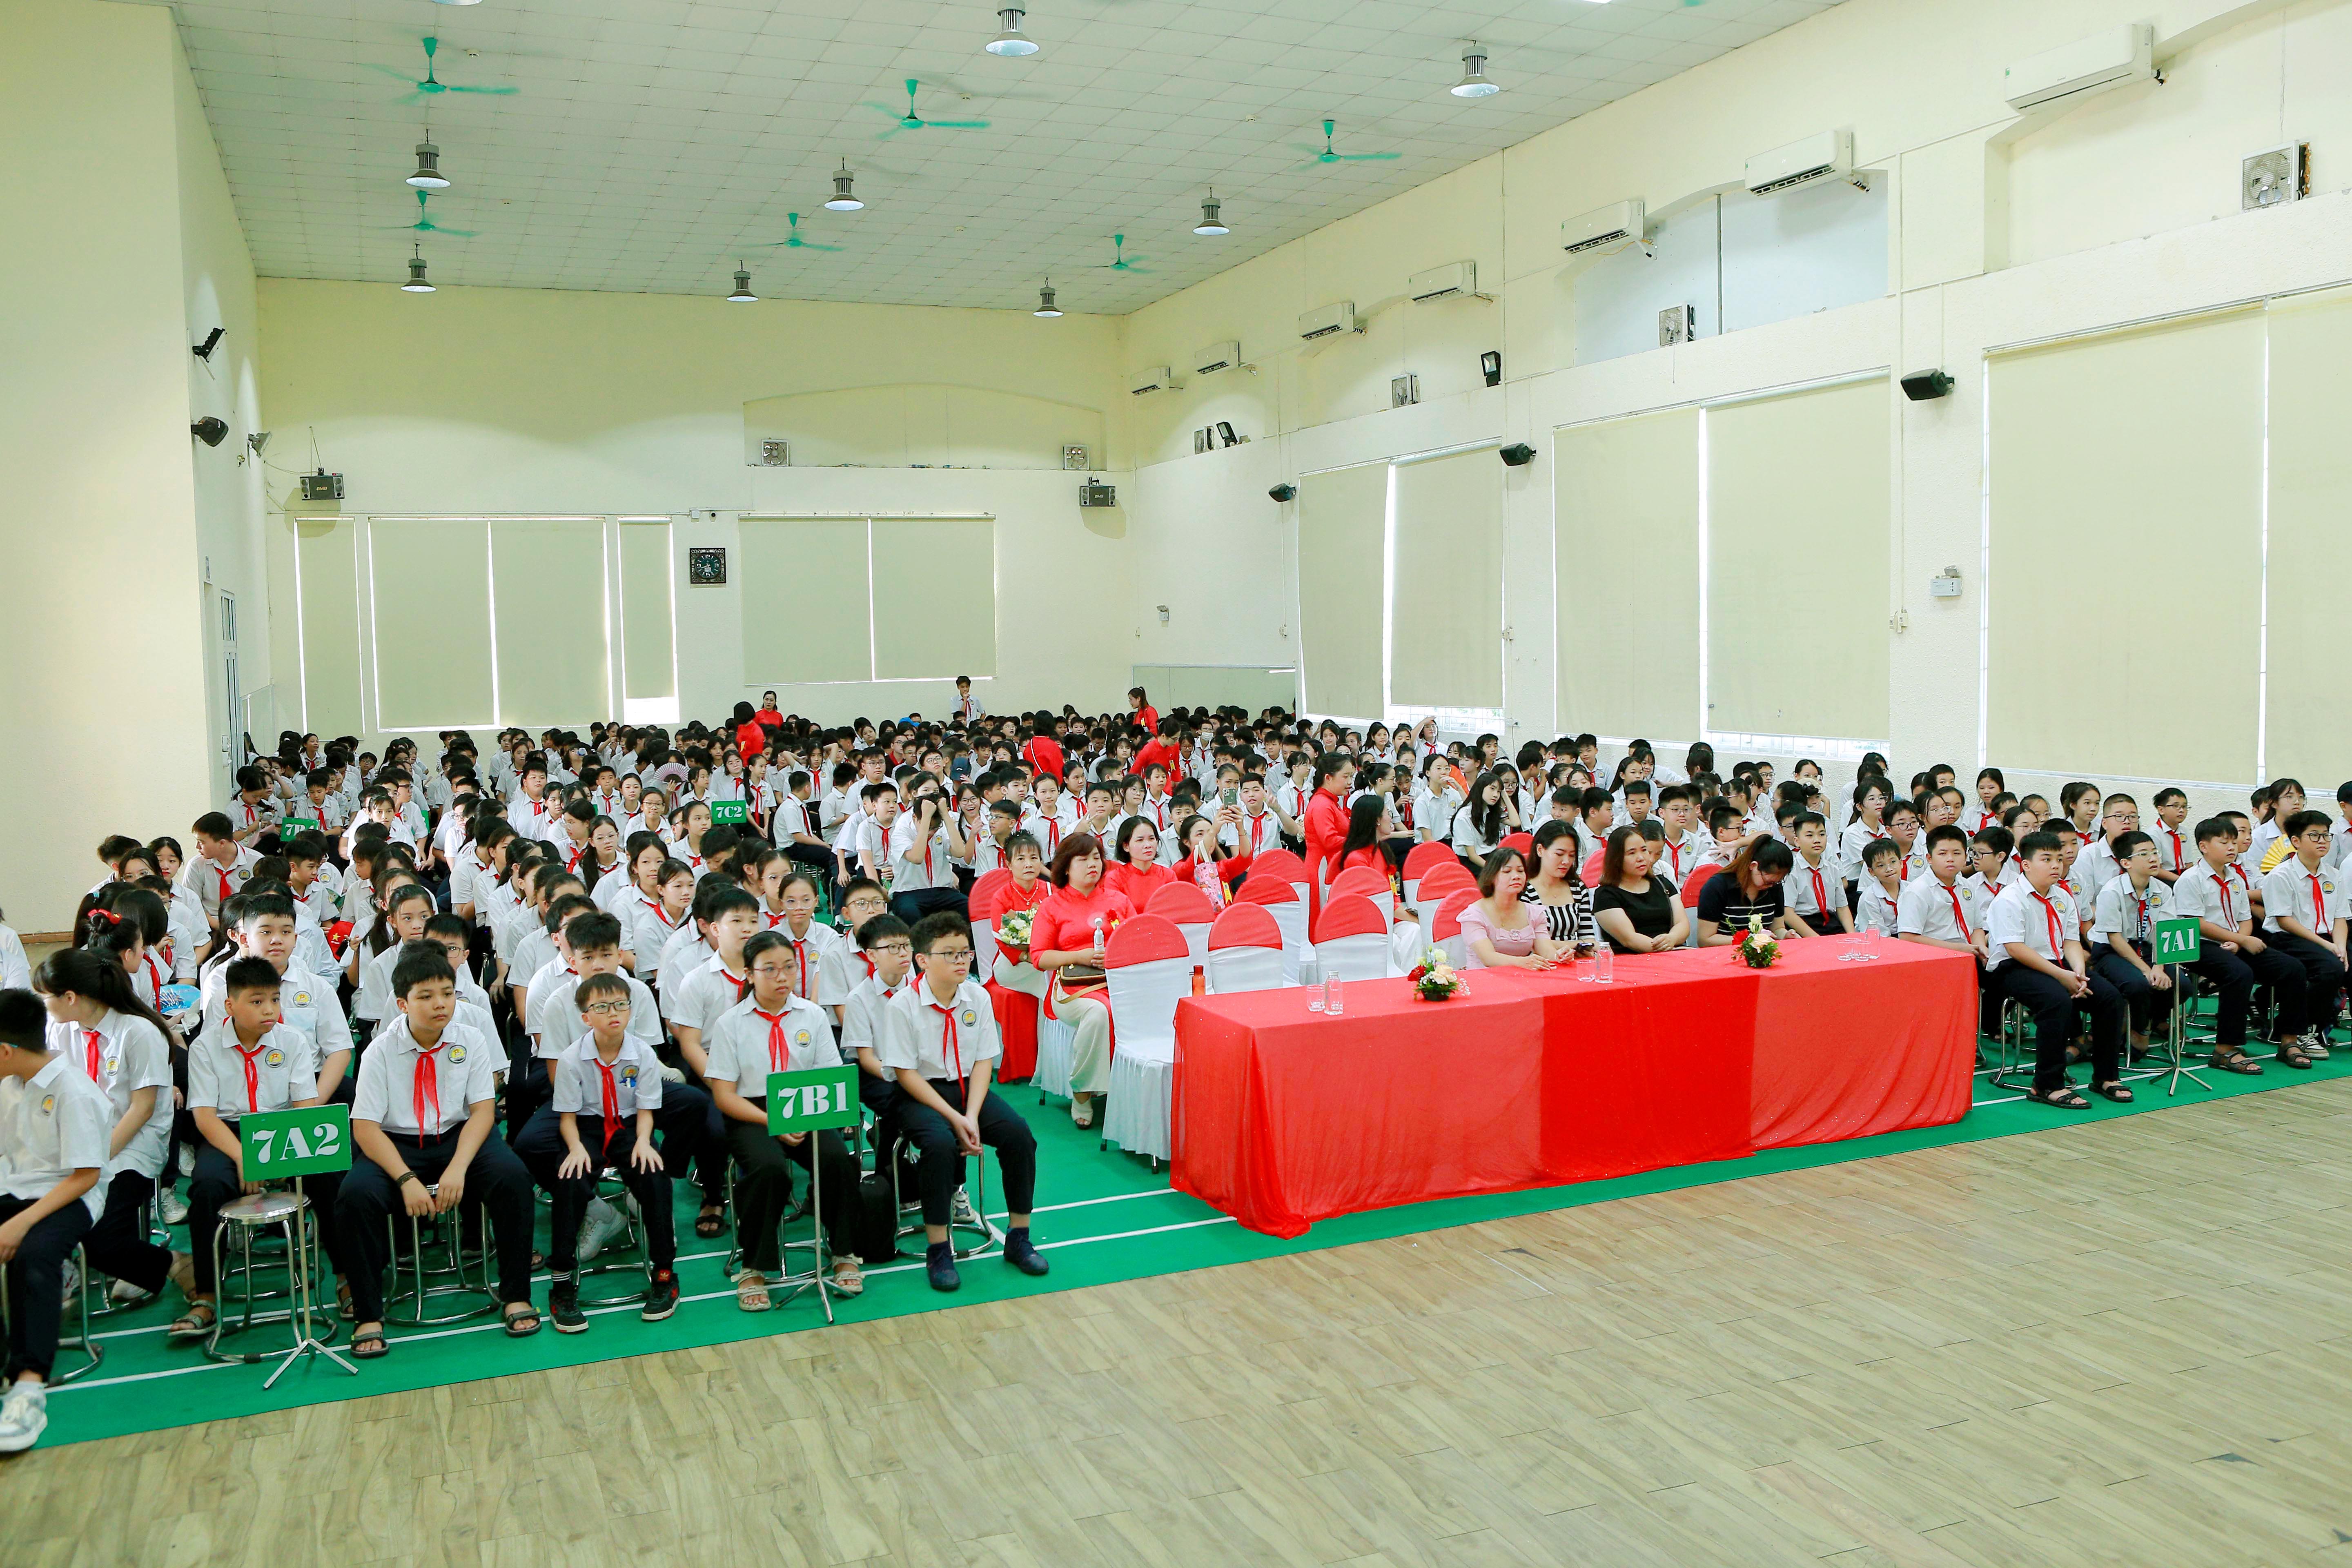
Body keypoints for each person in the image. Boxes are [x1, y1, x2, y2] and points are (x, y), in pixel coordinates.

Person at [337, 944, 543, 1356]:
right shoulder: (380, 1050)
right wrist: (406, 1179)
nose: (440, 1004)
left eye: (447, 994)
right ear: (402, 1004)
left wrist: (458, 1169)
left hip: (459, 1137)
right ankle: (368, 1314)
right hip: (397, 1145)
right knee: (354, 1196)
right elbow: (365, 1128)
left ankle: (516, 1294)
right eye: (426, 996)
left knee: (514, 1178)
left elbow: (483, 1112)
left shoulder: (471, 1038)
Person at [172, 956, 352, 1342]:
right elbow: (204, 1117)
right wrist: (245, 1158)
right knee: (207, 1186)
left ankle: (346, 1278)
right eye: (256, 1002)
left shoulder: (293, 1042)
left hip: (284, 1128)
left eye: (274, 999)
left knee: (330, 1176)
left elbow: (305, 1110)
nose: (269, 1009)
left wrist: (279, 1159)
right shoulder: (206, 1047)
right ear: (230, 1005)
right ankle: (206, 1295)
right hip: (229, 1134)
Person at [876, 913, 1048, 1292]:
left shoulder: (978, 996)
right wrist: (955, 1119)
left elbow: (984, 1060)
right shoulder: (903, 1006)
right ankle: (939, 1249)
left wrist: (970, 1115)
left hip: (969, 1090)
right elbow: (905, 1073)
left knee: (1019, 1135)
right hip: (920, 1093)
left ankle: (1019, 1237)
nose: (961, 960)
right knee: (939, 1146)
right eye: (949, 953)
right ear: (923, 960)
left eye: (965, 953)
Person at [703, 933, 866, 1309]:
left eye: (789, 967)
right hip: (752, 1112)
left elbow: (829, 1076)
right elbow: (724, 1095)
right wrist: (773, 1120)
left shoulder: (812, 1015)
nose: (782, 977)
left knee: (837, 1160)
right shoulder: (730, 1024)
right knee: (769, 1169)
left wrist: (811, 1117)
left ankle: (843, 1251)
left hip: (807, 1106)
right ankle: (754, 1265)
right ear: (749, 974)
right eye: (770, 970)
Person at [33, 949, 189, 1307]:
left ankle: (170, 1263)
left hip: (131, 1144)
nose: (43, 1005)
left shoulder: (138, 1032)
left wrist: (95, 1159)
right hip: (81, 1140)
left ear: (70, 998)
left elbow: (142, 1109)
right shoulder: (61, 1030)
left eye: (45, 997)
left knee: (101, 1238)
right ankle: (69, 1265)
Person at [1986, 830, 2128, 1109]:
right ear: (2026, 865)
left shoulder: (2062, 896)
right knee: (2056, 1000)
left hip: (2058, 963)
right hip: (2014, 967)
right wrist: (2063, 976)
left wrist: (2078, 971)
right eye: (2047, 859)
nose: (2056, 866)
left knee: (2110, 998)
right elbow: (2015, 948)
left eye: (2059, 860)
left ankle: (2106, 1077)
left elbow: (2071, 941)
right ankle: (2046, 1084)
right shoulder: (2009, 899)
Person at [2174, 815, 2309, 1071]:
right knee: (2239, 974)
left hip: (2235, 940)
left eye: (2234, 842)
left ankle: (2289, 1040)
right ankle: (2225, 1049)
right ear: (2204, 846)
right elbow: (2197, 924)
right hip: (2200, 944)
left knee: (2293, 969)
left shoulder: (2236, 877)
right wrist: (2240, 939)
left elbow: (2245, 917)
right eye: (2224, 842)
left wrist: (2241, 940)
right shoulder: (2191, 879)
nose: (2232, 847)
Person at [1028, 834, 1133, 1130]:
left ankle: (1131, 1089)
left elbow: (1137, 941)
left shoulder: (1118, 901)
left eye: (1097, 858)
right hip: (1072, 988)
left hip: (1118, 983)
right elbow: (1039, 957)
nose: (1092, 865)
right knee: (1099, 1013)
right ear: (1066, 867)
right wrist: (1080, 955)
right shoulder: (1052, 906)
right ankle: (1083, 1092)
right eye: (1083, 860)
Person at [2260, 808, 2346, 1061]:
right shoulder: (2281, 875)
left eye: (2326, 835)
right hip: (2288, 938)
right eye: (2315, 836)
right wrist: (2328, 947)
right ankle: (2303, 1031)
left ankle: (2315, 1024)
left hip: (2326, 937)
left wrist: (2340, 947)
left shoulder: (2334, 875)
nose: (2323, 841)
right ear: (2296, 841)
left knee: (2345, 962)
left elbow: (2340, 917)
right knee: (2330, 968)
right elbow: (2285, 921)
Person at [2088, 830, 2177, 1063]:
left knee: (2180, 985)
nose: (2153, 858)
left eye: (2155, 853)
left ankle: (2143, 1022)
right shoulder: (2112, 891)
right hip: (2111, 950)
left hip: (2148, 949)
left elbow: (2165, 932)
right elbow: (2115, 939)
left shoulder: (2163, 890)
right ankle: (2139, 1029)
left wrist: (2158, 966)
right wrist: (2147, 970)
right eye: (2144, 854)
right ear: (2126, 863)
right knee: (2138, 984)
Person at [1456, 848, 1562, 970]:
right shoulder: (1474, 915)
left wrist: (1559, 956)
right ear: (1491, 877)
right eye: (1507, 871)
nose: (1516, 876)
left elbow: (1546, 951)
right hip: (1483, 978)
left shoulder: (1534, 913)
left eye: (1521, 871)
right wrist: (1523, 962)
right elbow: (1488, 958)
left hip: (1523, 978)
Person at [1592, 825, 1687, 956]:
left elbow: (1682, 923)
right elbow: (1629, 939)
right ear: (1617, 859)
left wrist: (1672, 939)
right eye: (1632, 853)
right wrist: (1669, 950)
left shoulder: (1663, 883)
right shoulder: (1606, 895)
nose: (1641, 858)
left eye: (1644, 850)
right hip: (1633, 960)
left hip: (1674, 953)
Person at [1695, 838, 1802, 945]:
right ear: (1754, 866)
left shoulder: (1774, 887)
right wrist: (1749, 940)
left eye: (1777, 882)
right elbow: (1705, 940)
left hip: (1762, 951)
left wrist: (1786, 935)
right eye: (1767, 882)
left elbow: (1777, 928)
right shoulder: (1717, 886)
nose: (1771, 886)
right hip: (1726, 951)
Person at [1523, 820, 1597, 954]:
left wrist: (1582, 947)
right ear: (1540, 850)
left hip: (1575, 958)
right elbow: (1529, 941)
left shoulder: (1578, 888)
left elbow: (1588, 937)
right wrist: (1576, 944)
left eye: (1572, 856)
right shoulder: (1524, 891)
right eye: (1559, 854)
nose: (1566, 862)